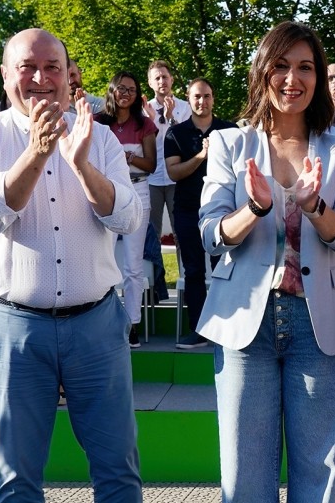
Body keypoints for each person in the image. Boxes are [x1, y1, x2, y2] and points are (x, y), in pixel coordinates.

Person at [0, 28, 143, 503]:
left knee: (118, 469)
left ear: (69, 73)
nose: (40, 78)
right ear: (5, 75)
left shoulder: (99, 138)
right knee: (17, 475)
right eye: (27, 67)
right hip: (12, 326)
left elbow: (127, 217)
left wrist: (81, 164)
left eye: (52, 67)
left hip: (96, 325)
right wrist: (37, 154)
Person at [196, 21, 335, 503]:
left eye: (306, 68)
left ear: (318, 77)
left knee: (323, 480)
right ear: (262, 72)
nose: (293, 79)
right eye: (281, 66)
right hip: (246, 323)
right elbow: (209, 233)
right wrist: (258, 210)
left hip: (320, 326)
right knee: (245, 480)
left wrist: (316, 206)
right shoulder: (227, 143)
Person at [164, 78, 236, 349]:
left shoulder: (229, 130)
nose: (201, 101)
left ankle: (227, 328)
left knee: (225, 270)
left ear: (213, 98)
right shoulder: (176, 134)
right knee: (193, 271)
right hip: (187, 210)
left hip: (224, 212)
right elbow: (174, 172)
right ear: (188, 98)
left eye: (206, 96)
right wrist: (200, 157)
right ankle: (200, 329)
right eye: (196, 96)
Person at [95, 72, 156, 348]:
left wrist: (128, 156)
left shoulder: (145, 124)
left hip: (137, 191)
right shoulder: (98, 123)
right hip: (106, 192)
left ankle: (132, 323)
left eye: (132, 89)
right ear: (112, 90)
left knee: (133, 266)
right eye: (121, 88)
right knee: (100, 259)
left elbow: (151, 165)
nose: (126, 93)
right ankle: (102, 321)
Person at [145, 60, 192, 245]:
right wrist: (150, 120)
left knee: (181, 229)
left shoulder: (185, 107)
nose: (161, 81)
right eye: (157, 78)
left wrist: (171, 117)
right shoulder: (144, 109)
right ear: (150, 83)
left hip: (177, 178)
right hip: (152, 178)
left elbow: (187, 140)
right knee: (152, 233)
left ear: (171, 80)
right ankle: (155, 275)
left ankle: (185, 274)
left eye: (165, 77)